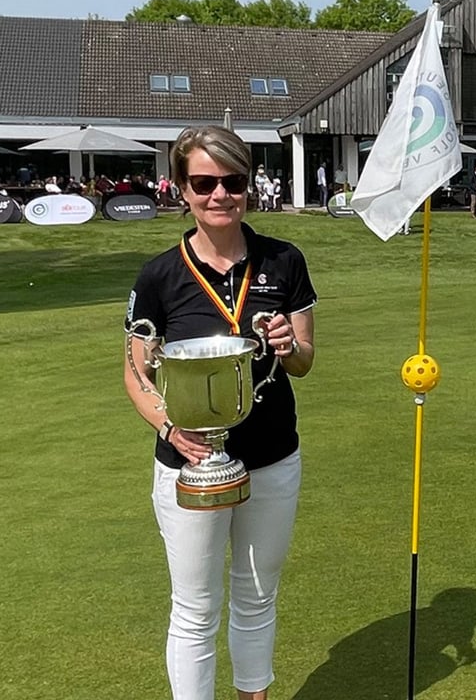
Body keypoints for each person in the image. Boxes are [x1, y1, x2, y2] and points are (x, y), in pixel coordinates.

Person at [123, 125, 317, 700]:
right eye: (204, 183)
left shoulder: (284, 260)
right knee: (195, 608)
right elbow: (136, 373)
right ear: (181, 188)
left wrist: (289, 345)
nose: (219, 195)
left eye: (232, 182)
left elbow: (305, 360)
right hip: (190, 463)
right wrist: (168, 426)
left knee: (257, 596)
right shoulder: (159, 275)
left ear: (248, 186)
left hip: (273, 456)